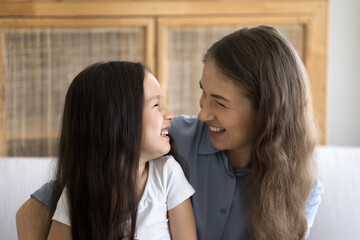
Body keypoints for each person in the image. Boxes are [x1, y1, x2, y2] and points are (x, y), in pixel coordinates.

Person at [16, 25, 323, 240]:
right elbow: (38, 207)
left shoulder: (301, 190)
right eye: (204, 93)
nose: (202, 113)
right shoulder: (169, 138)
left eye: (220, 102)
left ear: (267, 113)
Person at [22, 61, 197, 240]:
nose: (169, 114)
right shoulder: (78, 192)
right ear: (116, 123)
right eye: (155, 105)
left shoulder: (167, 174)